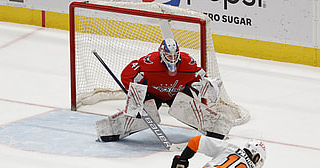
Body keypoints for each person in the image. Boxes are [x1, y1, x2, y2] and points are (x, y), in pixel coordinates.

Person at [95, 38, 233, 143]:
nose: (172, 59)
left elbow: (200, 76)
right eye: (168, 56)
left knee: (190, 109)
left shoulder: (188, 63)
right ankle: (111, 131)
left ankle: (216, 131)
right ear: (161, 54)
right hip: (153, 94)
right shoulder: (149, 63)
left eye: (174, 56)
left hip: (178, 93)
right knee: (141, 113)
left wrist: (207, 84)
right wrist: (133, 91)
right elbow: (127, 74)